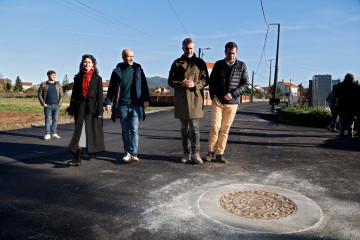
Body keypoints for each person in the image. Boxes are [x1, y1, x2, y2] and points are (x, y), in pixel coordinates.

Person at [205, 42, 249, 163]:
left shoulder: (242, 66)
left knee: (225, 129)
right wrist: (213, 96)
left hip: (232, 103)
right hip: (217, 102)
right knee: (215, 127)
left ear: (236, 53)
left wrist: (233, 93)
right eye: (229, 53)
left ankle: (219, 154)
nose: (231, 56)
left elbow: (245, 84)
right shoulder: (218, 65)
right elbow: (212, 82)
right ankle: (210, 152)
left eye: (233, 53)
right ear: (225, 52)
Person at [168, 38, 209, 164]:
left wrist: (195, 84)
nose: (189, 50)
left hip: (195, 99)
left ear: (194, 48)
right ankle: (186, 153)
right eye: (187, 48)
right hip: (182, 100)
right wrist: (181, 84)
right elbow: (170, 81)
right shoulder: (176, 63)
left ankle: (196, 153)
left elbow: (206, 80)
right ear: (183, 49)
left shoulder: (200, 63)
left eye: (191, 48)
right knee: (184, 128)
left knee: (195, 128)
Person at [105, 49, 150, 163]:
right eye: (129, 56)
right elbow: (111, 88)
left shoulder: (138, 69)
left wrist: (146, 98)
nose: (131, 59)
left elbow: (144, 85)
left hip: (135, 104)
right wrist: (108, 101)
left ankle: (134, 153)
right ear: (123, 57)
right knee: (125, 130)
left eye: (132, 56)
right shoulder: (117, 71)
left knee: (134, 129)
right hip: (122, 105)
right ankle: (127, 152)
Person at [67, 54, 105, 166]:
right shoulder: (78, 78)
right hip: (80, 107)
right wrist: (72, 108)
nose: (86, 64)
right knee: (80, 131)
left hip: (92, 107)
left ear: (93, 64)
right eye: (85, 62)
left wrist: (100, 111)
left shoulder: (97, 78)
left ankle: (92, 152)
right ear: (82, 63)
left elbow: (99, 96)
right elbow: (74, 95)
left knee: (92, 130)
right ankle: (77, 158)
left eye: (89, 62)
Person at [38, 70, 63, 140]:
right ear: (48, 75)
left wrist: (59, 104)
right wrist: (43, 103)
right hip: (48, 105)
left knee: (55, 120)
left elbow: (61, 95)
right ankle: (47, 134)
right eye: (52, 75)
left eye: (55, 75)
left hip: (56, 106)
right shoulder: (43, 84)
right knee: (47, 120)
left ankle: (54, 133)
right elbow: (39, 94)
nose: (54, 77)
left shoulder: (58, 84)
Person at [334, 73, 360, 138]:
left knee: (342, 119)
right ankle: (350, 133)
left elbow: (335, 95)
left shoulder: (340, 86)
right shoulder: (356, 86)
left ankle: (341, 133)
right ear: (352, 79)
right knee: (350, 119)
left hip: (342, 105)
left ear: (345, 78)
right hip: (352, 106)